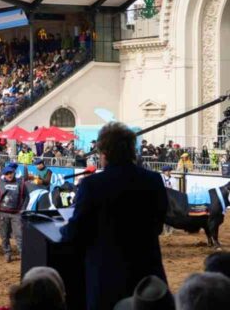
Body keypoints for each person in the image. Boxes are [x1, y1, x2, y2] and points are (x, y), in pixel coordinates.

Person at [61, 122, 168, 310]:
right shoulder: (153, 180)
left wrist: (62, 228)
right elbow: (158, 225)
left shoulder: (92, 185)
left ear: (105, 153)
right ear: (131, 151)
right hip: (148, 278)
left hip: (107, 280)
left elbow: (76, 231)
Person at [0, 164, 27, 263]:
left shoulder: (21, 184)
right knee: (4, 235)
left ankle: (22, 253)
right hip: (3, 213)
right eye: (7, 174)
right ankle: (7, 253)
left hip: (16, 214)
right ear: (4, 175)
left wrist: (23, 209)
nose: (9, 175)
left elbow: (26, 197)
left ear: (14, 173)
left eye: (11, 173)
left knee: (19, 235)